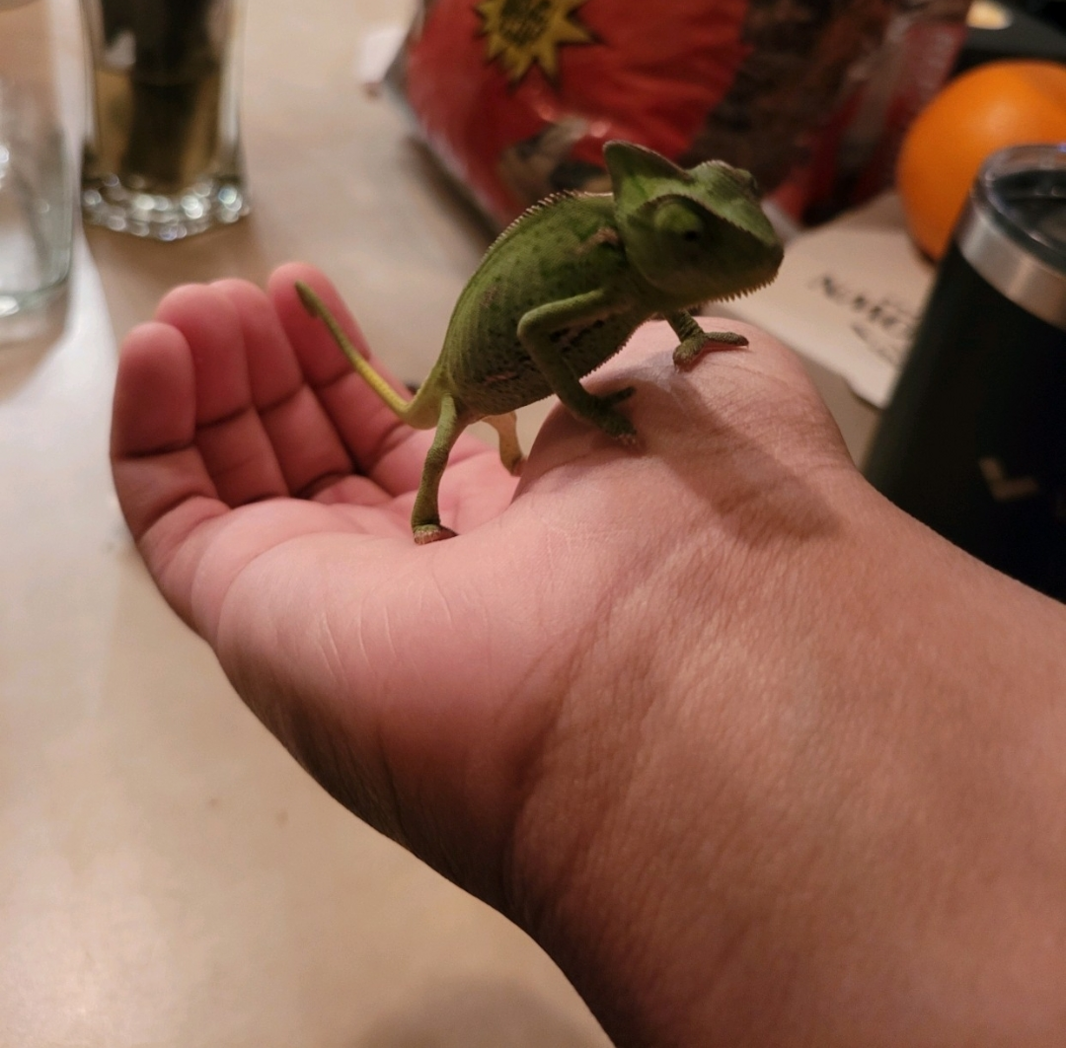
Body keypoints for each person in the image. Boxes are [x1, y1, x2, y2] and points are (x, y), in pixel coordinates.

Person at [110, 262, 1066, 1046]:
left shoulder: (642, 271)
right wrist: (589, 413)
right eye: (688, 229)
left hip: (520, 374)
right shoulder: (613, 266)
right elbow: (533, 333)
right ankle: (428, 506)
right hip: (481, 376)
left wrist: (689, 342)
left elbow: (642, 303)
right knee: (438, 439)